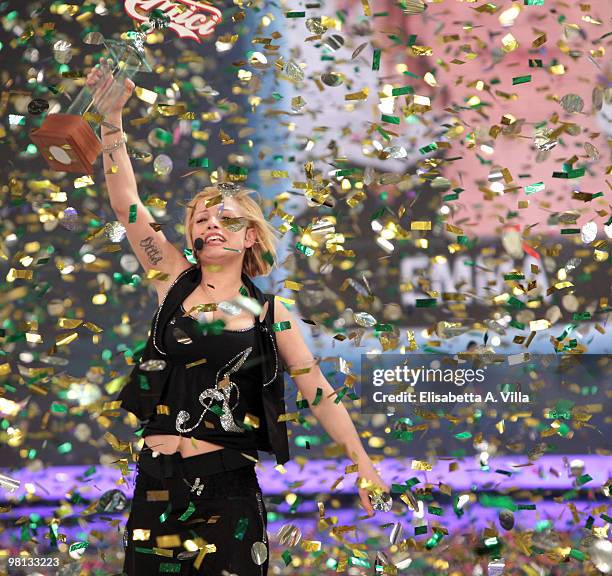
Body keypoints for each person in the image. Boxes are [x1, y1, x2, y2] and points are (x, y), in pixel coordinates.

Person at [86, 58, 389, 575]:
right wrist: (111, 120)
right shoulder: (171, 281)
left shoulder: (273, 312)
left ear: (250, 236)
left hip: (228, 485)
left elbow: (316, 388)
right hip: (157, 481)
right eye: (202, 219)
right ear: (191, 235)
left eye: (227, 219)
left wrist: (363, 464)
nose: (213, 226)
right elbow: (126, 204)